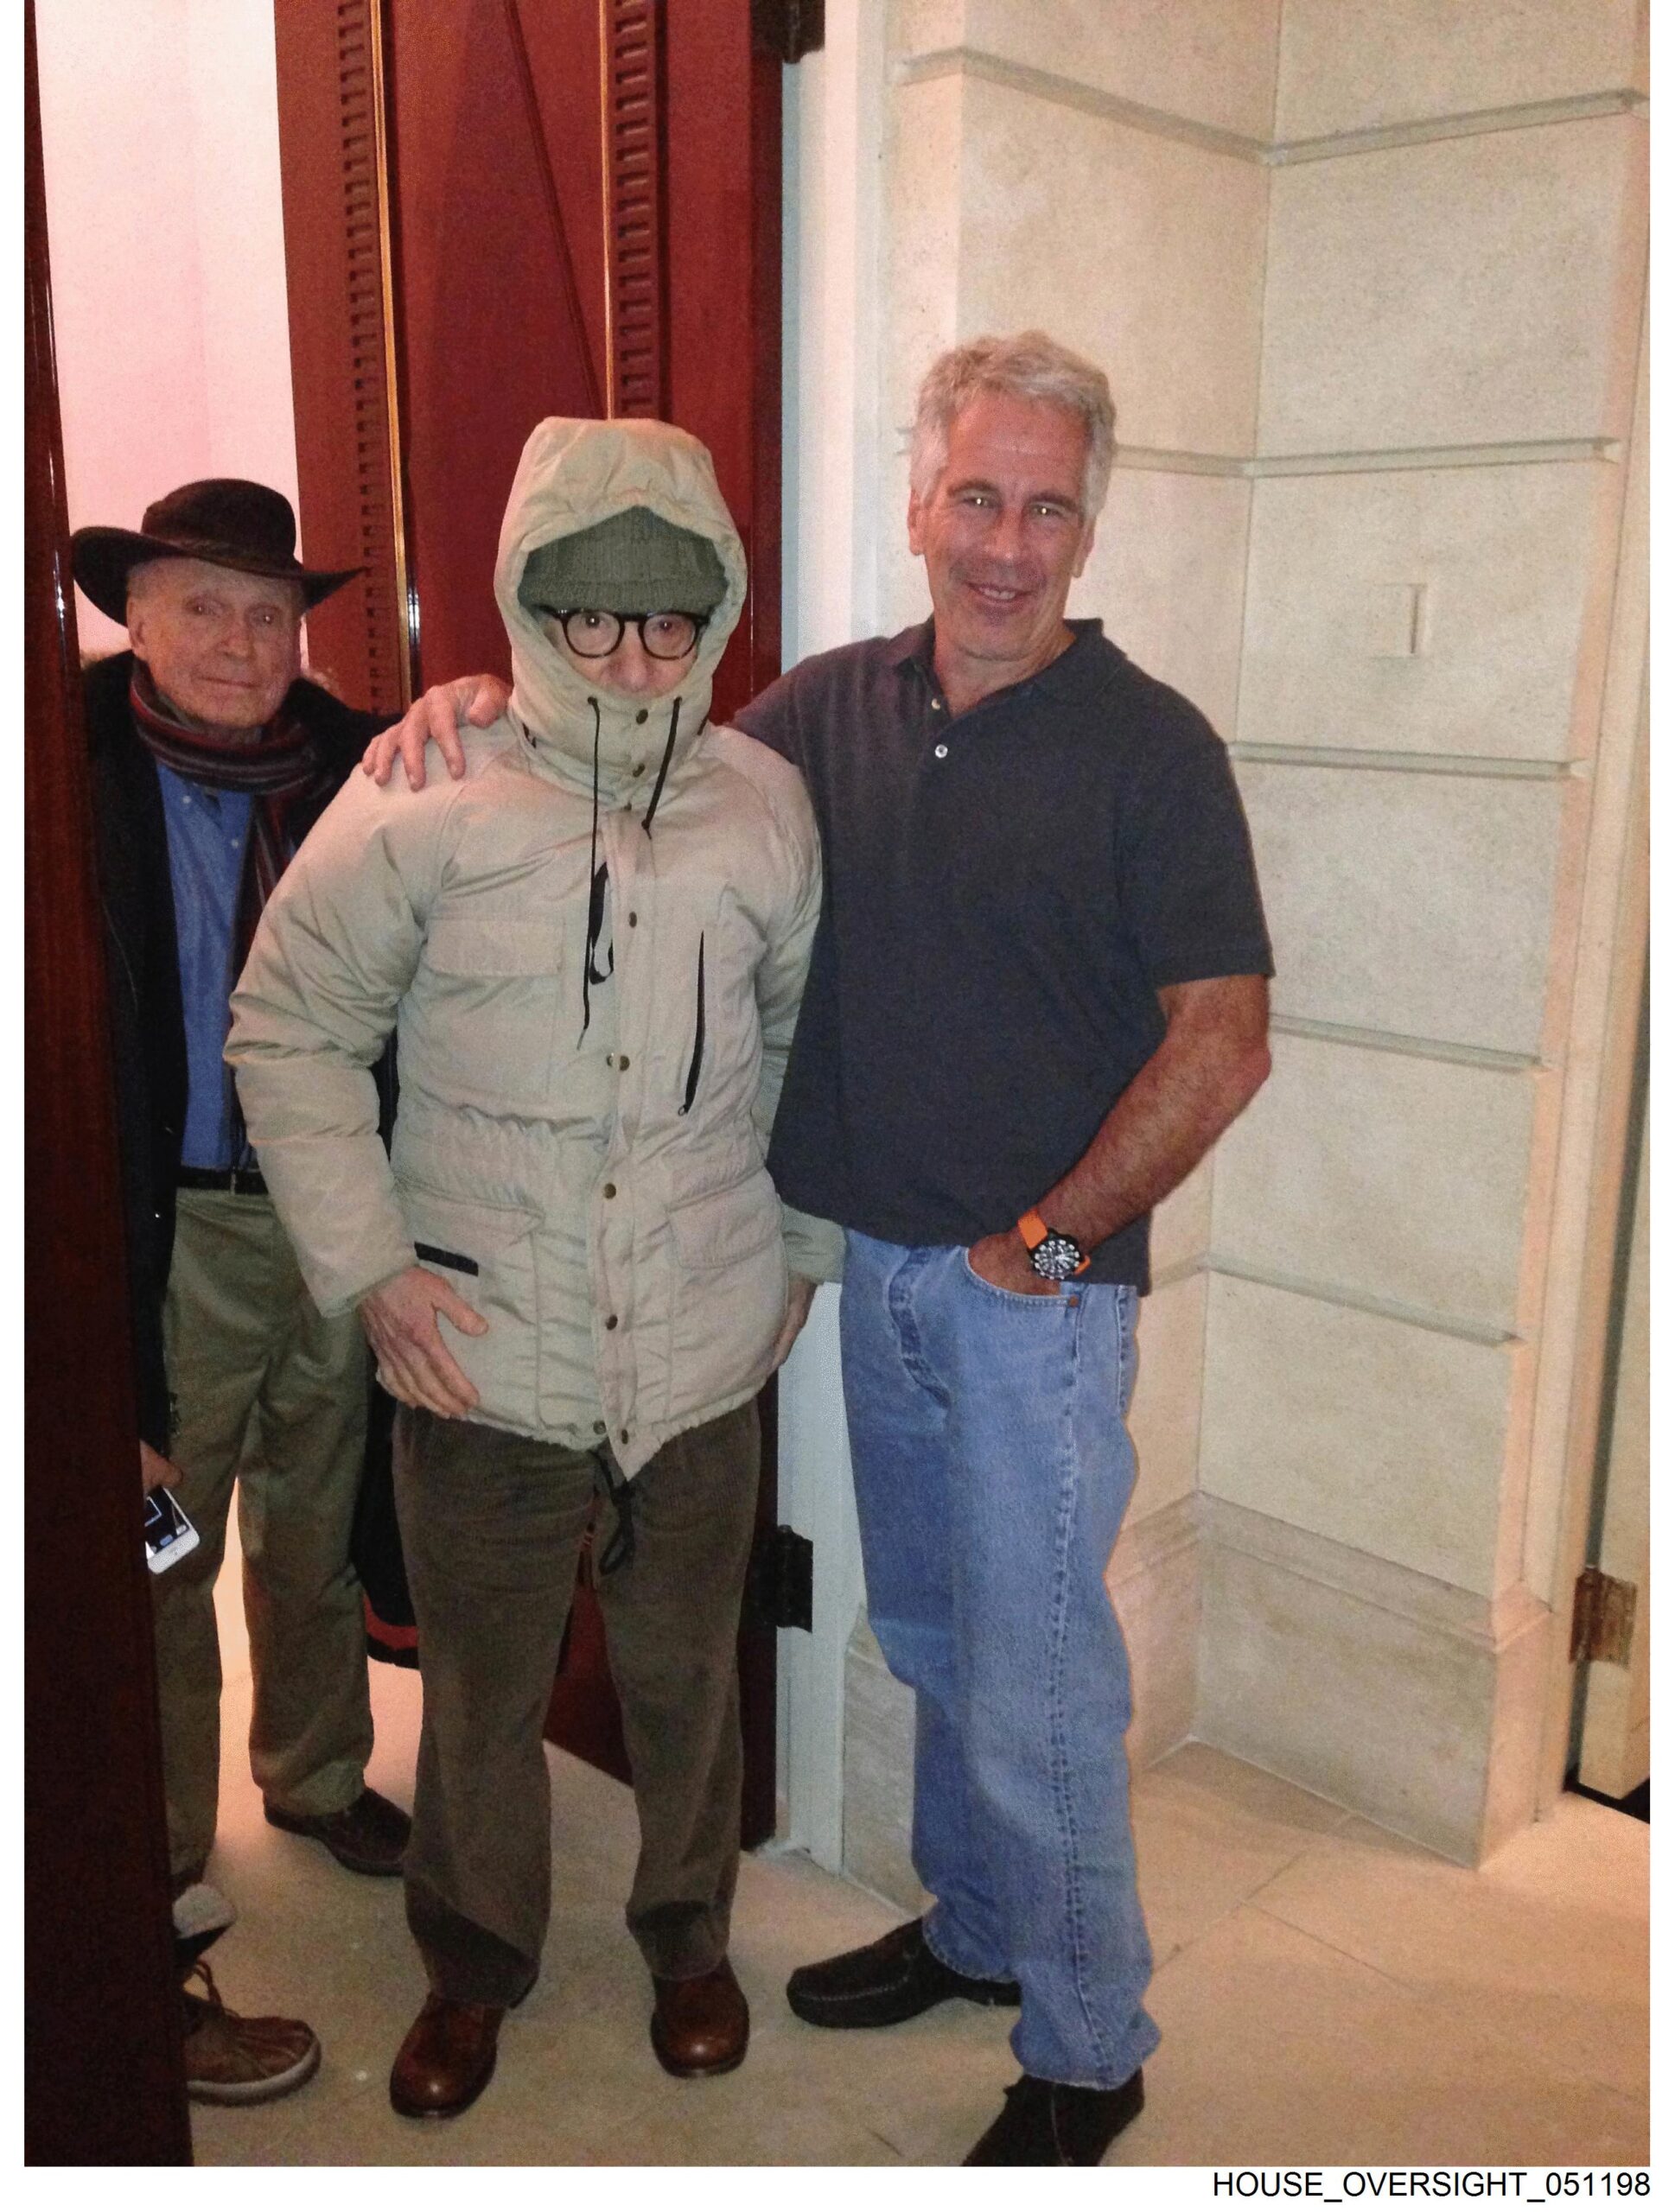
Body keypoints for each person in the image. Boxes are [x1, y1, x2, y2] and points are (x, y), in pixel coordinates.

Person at [373, 332, 1274, 2167]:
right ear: (919, 502)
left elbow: (1224, 1040)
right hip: (878, 1274)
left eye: (1045, 509)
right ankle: (977, 1929)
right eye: (975, 497)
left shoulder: (1152, 748)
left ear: (1087, 527)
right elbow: (632, 747)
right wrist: (471, 697)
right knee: (935, 1639)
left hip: (1037, 1305)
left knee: (1038, 1688)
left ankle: (1090, 2042)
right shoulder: (824, 713)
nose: (1005, 544)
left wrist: (1051, 1241)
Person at [226, 415, 838, 2123]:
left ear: (716, 611)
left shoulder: (765, 805)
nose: (629, 658)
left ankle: (689, 1937)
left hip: (701, 1343)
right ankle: (474, 1962)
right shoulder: (422, 788)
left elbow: (801, 1046)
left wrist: (797, 1249)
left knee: (686, 1678)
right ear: (527, 604)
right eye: (588, 616)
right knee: (484, 1695)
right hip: (479, 1346)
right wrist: (369, 1269)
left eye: (666, 618)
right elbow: (287, 1027)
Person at [73, 478, 413, 2103]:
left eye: (267, 611)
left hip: (334, 1216)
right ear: (132, 619)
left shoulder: (363, 774)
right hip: (167, 1235)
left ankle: (318, 1771)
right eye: (199, 604)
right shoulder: (58, 780)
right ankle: (148, 1872)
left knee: (318, 1509)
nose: (236, 639)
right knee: (157, 1548)